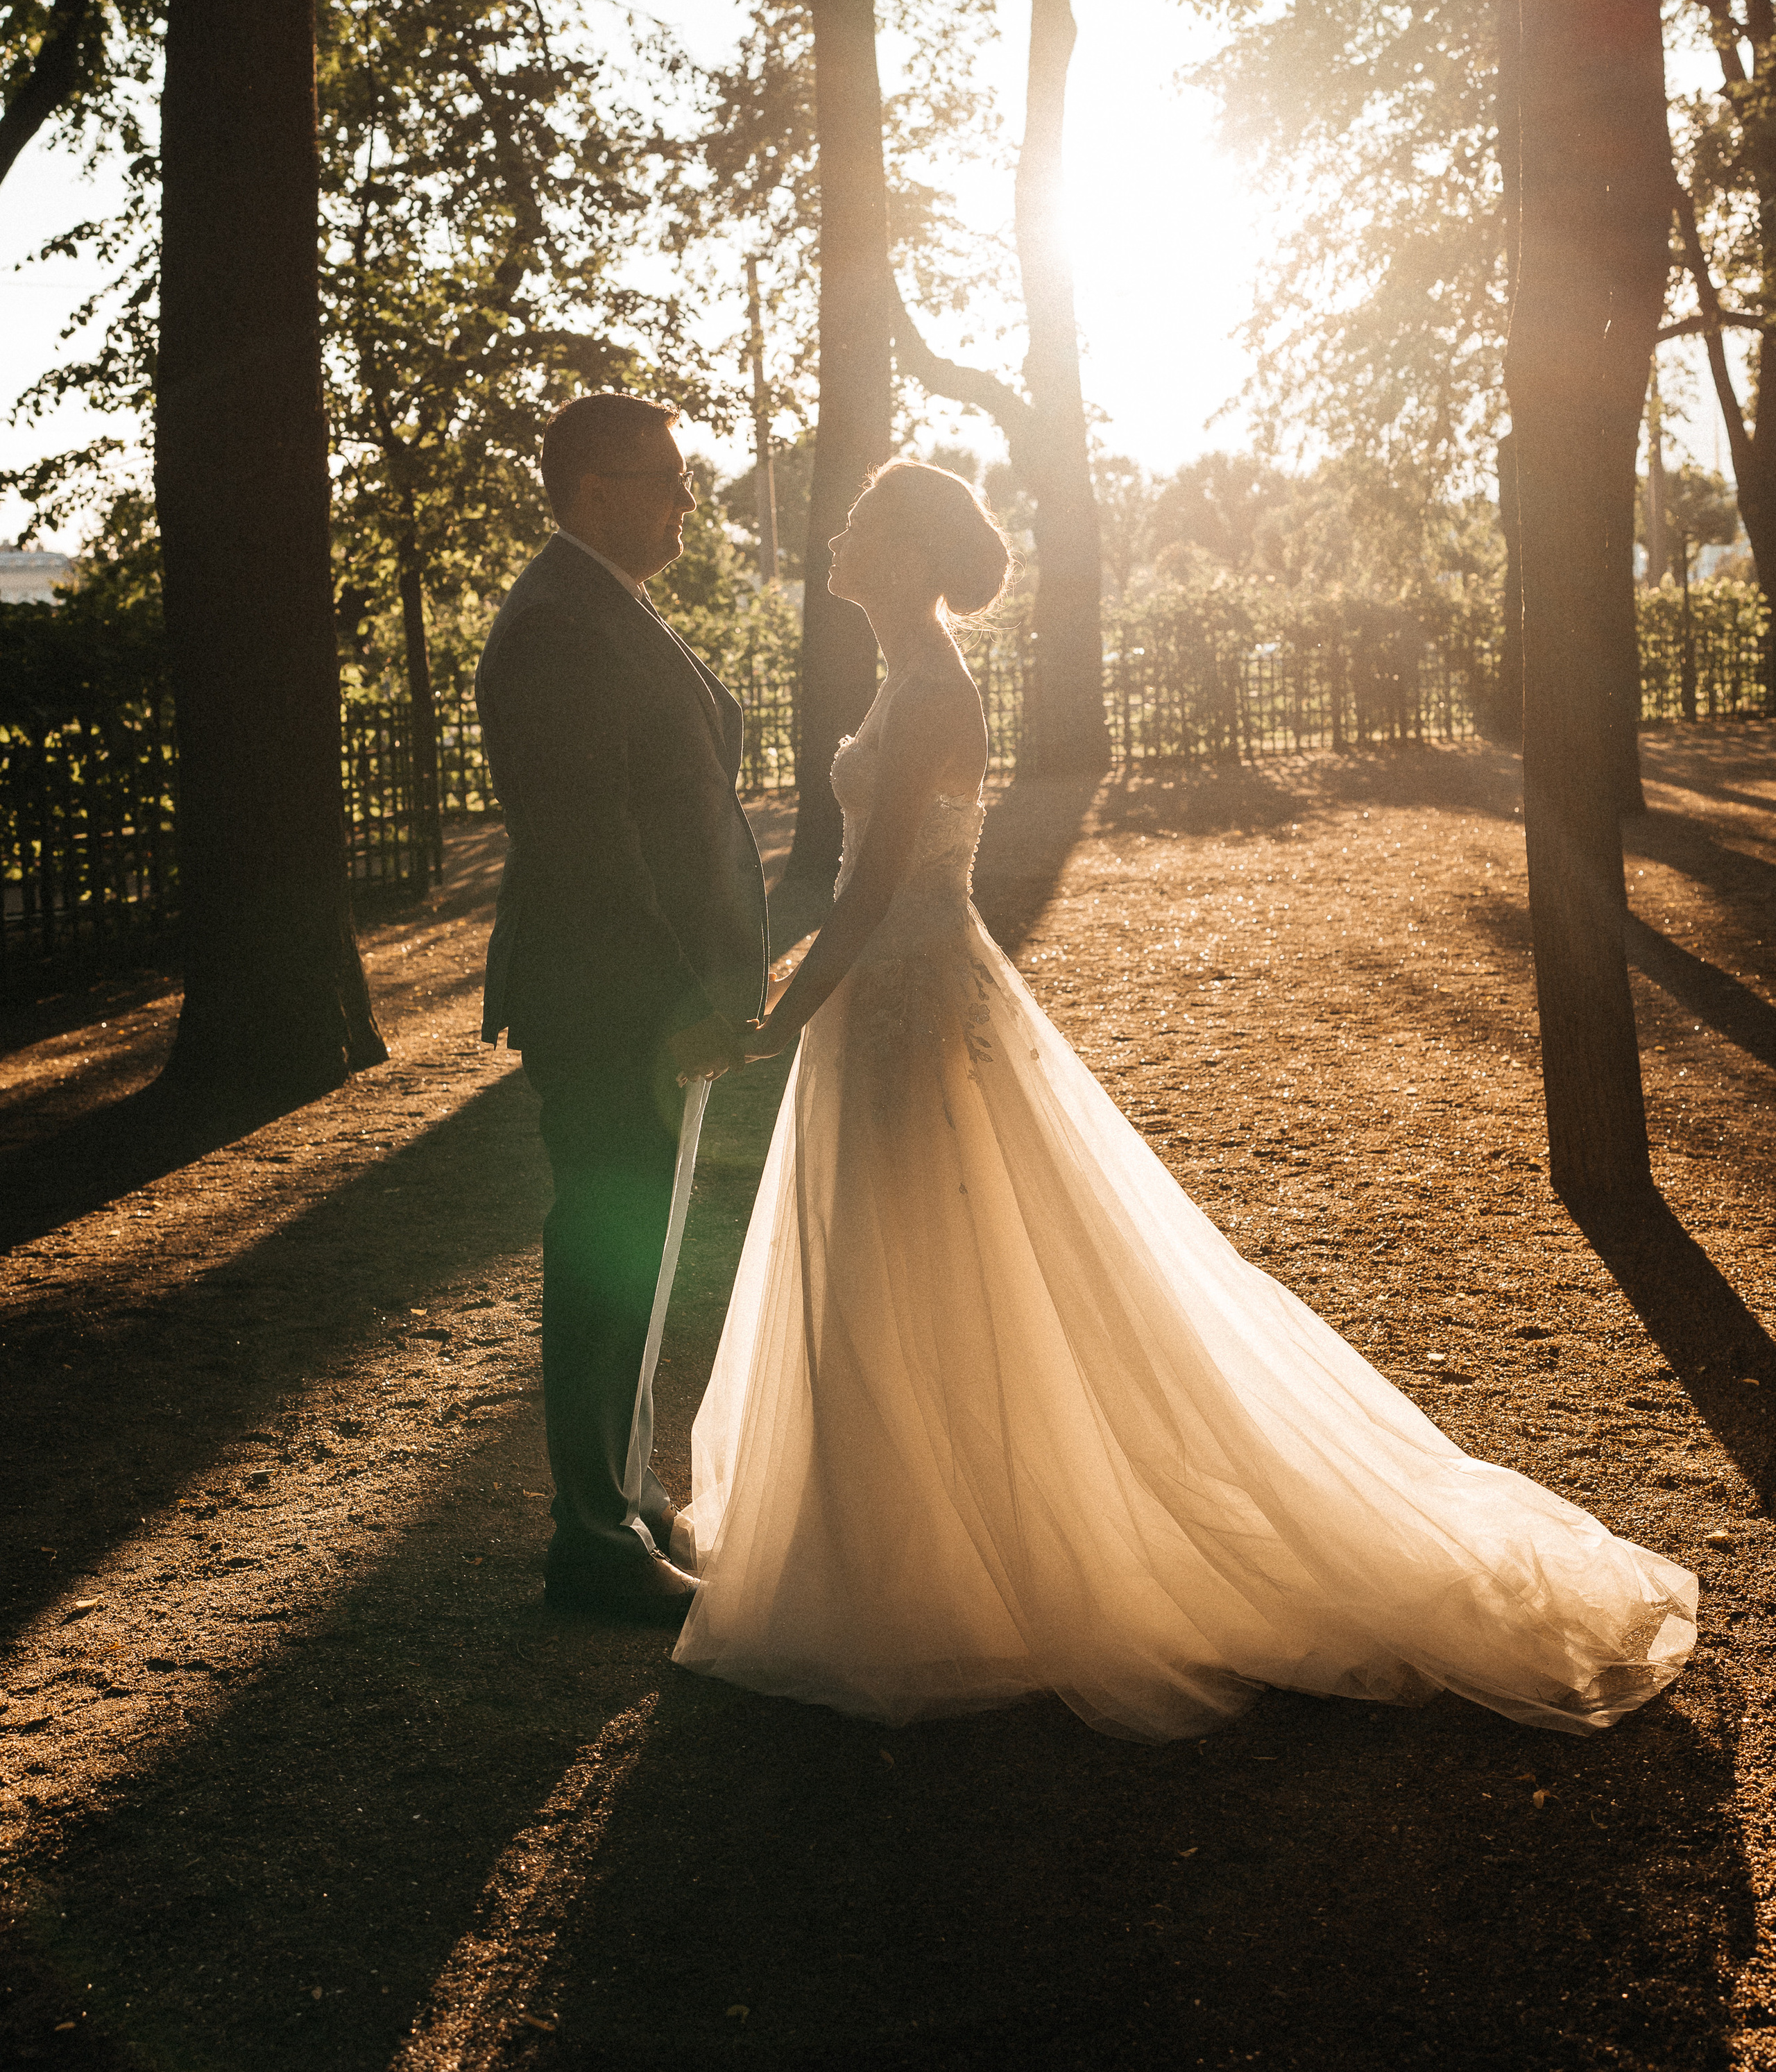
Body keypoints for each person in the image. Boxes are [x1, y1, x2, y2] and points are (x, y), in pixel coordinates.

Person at [673, 458, 1698, 1739]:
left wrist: (781, 1015)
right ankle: (892, 1549)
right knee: (900, 1259)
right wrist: (796, 997)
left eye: (869, 523)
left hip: (911, 999)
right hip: (885, 1001)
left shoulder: (933, 689)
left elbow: (877, 888)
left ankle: (947, 1563)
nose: (840, 533)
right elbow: (857, 893)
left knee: (933, 1254)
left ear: (918, 557)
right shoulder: (901, 678)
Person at [477, 394, 766, 1626]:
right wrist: (682, 995)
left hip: (653, 1000)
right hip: (615, 1001)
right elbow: (589, 846)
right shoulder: (555, 627)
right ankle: (588, 1539)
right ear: (592, 486)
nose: (687, 503)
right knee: (605, 1245)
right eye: (665, 479)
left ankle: (625, 1490)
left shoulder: (609, 606)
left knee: (639, 1244)